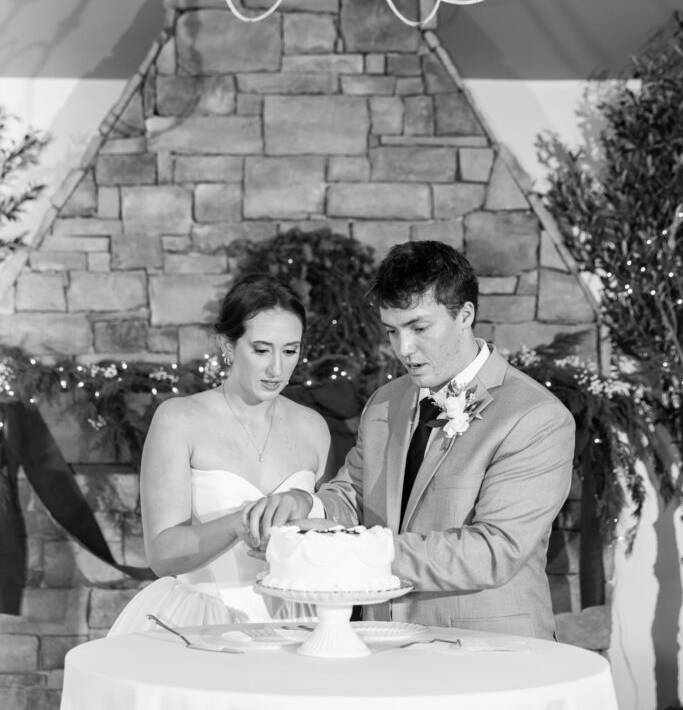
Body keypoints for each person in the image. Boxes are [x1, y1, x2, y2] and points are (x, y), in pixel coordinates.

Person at [243, 240, 576, 640]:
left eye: (419, 328)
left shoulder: (536, 416)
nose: (403, 349)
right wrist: (308, 504)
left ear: (465, 314)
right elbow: (354, 495)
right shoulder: (386, 402)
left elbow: (494, 551)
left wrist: (354, 552)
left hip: (488, 652)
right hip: (382, 642)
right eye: (392, 331)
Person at [107, 274, 333, 635]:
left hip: (297, 621)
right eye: (261, 350)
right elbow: (162, 555)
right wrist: (237, 525)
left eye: (290, 350)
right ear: (227, 345)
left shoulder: (313, 427)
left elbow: (330, 527)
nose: (277, 368)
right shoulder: (179, 419)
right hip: (203, 619)